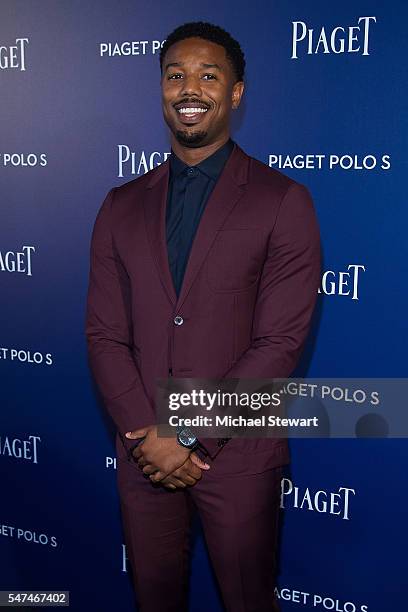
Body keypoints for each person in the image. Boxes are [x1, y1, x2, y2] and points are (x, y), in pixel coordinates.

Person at [85, 21, 321, 612]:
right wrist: (148, 436)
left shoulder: (281, 200)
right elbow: (106, 334)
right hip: (144, 456)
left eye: (208, 75)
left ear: (236, 93)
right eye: (175, 75)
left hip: (238, 456)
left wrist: (185, 433)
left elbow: (279, 341)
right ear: (161, 88)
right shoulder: (120, 205)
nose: (189, 88)